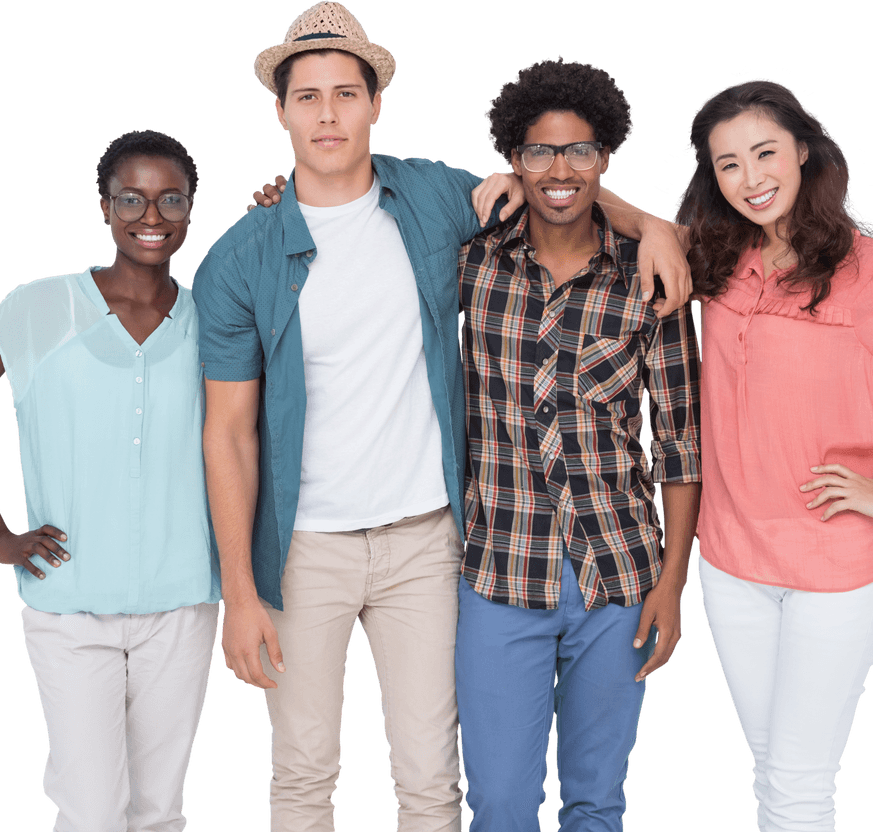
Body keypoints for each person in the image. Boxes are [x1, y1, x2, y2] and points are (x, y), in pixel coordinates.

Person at [199, 4, 690, 830]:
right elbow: (227, 435)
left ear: (376, 101)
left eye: (346, 93)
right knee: (303, 773)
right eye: (308, 96)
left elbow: (560, 192)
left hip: (430, 541)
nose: (328, 114)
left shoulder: (438, 197)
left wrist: (657, 226)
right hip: (304, 548)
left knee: (434, 781)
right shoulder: (240, 257)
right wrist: (239, 595)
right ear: (279, 110)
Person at [674, 78, 873, 832]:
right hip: (729, 566)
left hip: (832, 575)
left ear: (804, 152)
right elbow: (640, 230)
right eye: (727, 165)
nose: (750, 178)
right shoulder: (720, 260)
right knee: (778, 777)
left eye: (764, 153)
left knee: (796, 787)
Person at [0, 129, 220, 832]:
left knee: (158, 811)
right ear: (104, 208)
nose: (152, 216)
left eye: (169, 198)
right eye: (132, 199)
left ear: (190, 208)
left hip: (182, 606)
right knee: (91, 809)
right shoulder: (41, 308)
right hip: (70, 607)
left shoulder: (212, 318)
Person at [452, 59, 701, 832]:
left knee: (597, 802)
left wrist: (670, 585)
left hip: (618, 577)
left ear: (606, 157)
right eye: (539, 152)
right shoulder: (469, 263)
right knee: (499, 801)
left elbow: (681, 445)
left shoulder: (651, 278)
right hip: (500, 573)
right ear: (513, 160)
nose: (560, 170)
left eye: (580, 151)